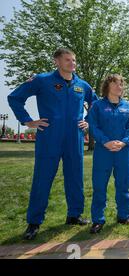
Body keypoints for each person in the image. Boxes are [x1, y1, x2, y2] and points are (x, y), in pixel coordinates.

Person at [7, 48, 98, 240]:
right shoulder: (42, 80)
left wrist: (88, 120)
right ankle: (34, 222)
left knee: (75, 177)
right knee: (42, 178)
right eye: (67, 60)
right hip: (49, 136)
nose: (72, 63)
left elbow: (95, 104)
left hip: (74, 137)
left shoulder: (82, 85)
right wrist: (27, 121)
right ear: (56, 61)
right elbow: (15, 98)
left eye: (74, 60)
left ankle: (74, 215)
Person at [88, 74, 129, 234]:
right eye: (115, 83)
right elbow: (93, 126)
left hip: (123, 151)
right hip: (104, 151)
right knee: (99, 186)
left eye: (121, 84)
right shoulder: (97, 106)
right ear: (107, 86)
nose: (119, 86)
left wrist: (123, 142)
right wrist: (105, 141)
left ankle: (124, 215)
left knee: (123, 184)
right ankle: (98, 220)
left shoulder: (128, 107)